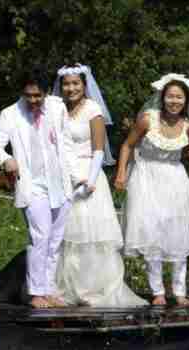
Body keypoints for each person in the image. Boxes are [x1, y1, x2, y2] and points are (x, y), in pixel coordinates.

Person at [114, 74, 189, 306]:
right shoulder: (147, 119)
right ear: (162, 97)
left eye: (179, 97)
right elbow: (127, 145)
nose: (174, 101)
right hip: (146, 178)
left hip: (175, 180)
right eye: (170, 96)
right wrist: (121, 173)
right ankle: (158, 291)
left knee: (178, 232)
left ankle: (180, 290)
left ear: (186, 100)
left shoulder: (187, 125)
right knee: (152, 233)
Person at [51, 64, 147, 307]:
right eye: (66, 84)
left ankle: (92, 288)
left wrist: (89, 181)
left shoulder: (93, 110)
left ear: (84, 85)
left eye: (75, 83)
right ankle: (66, 288)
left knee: (89, 233)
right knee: (65, 235)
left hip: (88, 175)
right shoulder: (57, 108)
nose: (71, 88)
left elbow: (98, 150)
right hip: (64, 175)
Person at [0, 69, 76, 309]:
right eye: (28, 95)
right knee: (40, 237)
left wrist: (75, 175)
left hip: (60, 183)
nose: (33, 100)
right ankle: (36, 292)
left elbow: (66, 142)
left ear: (46, 92)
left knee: (55, 240)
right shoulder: (10, 114)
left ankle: (49, 289)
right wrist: (6, 159)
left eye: (38, 95)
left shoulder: (57, 107)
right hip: (32, 185)